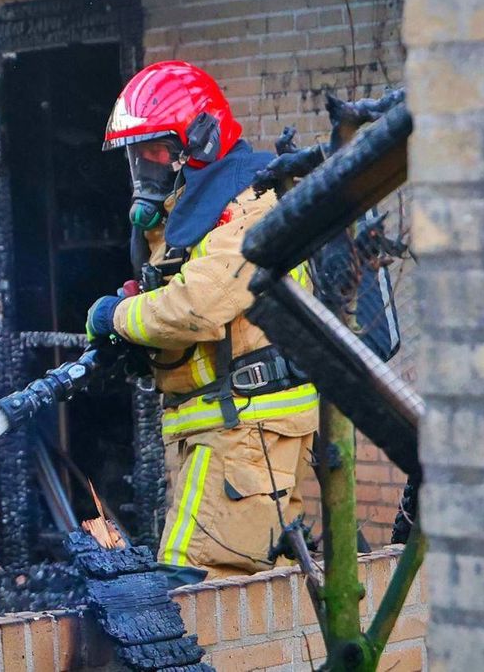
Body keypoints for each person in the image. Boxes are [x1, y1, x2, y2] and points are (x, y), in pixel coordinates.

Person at [85, 61, 319, 580]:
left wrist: (116, 316)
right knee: (250, 597)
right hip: (221, 429)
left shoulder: (254, 205)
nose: (146, 164)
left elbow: (197, 307)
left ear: (204, 138)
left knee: (196, 589)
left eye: (157, 149)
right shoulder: (194, 211)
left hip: (248, 433)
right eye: (137, 153)